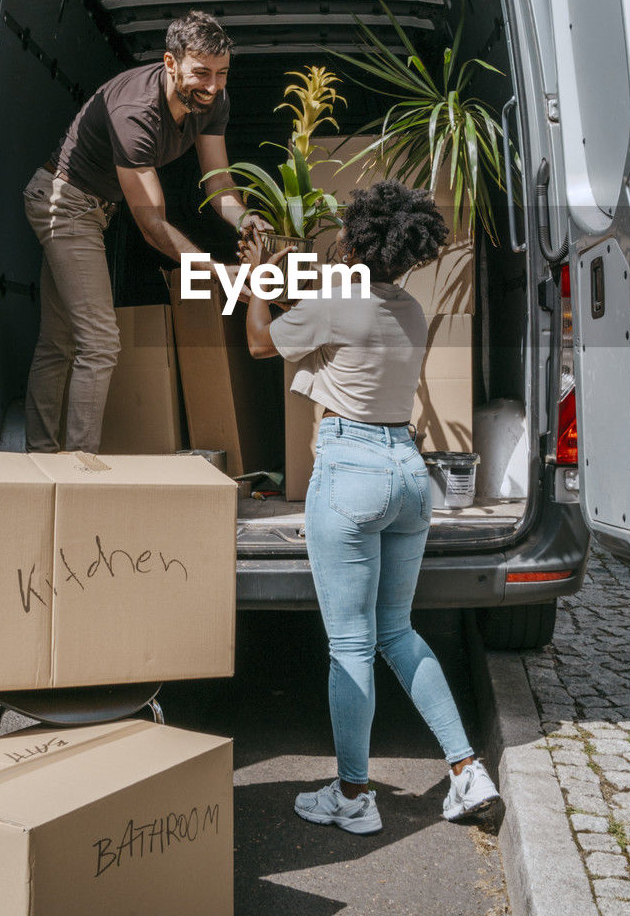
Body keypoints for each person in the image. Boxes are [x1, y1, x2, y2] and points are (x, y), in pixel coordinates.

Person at [240, 180, 501, 834]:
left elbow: (260, 343)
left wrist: (253, 290)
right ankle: (467, 771)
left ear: (357, 238)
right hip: (408, 475)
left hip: (351, 469)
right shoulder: (409, 309)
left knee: (350, 646)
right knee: (396, 632)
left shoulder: (335, 303)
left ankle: (353, 797)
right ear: (410, 250)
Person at [23, 9, 262, 454]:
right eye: (202, 73)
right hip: (65, 204)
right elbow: (152, 225)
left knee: (59, 341)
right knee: (99, 341)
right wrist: (217, 272)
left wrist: (245, 219)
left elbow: (218, 181)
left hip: (95, 208)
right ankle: (77, 469)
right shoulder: (135, 112)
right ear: (170, 64)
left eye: (222, 74)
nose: (213, 85)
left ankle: (40, 456)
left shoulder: (213, 100)